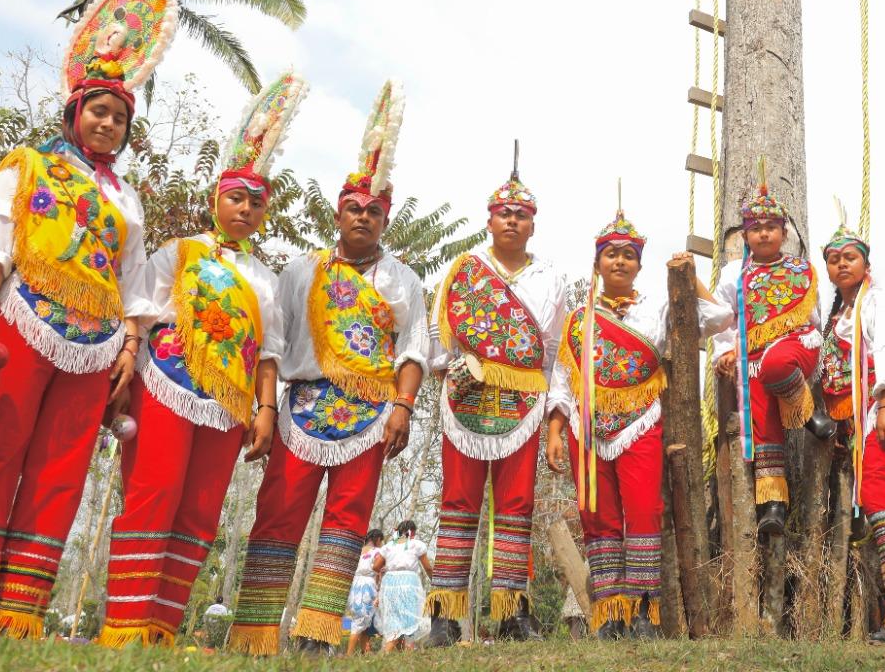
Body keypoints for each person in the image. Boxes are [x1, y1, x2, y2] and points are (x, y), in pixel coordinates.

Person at [0, 0, 178, 638]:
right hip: (24, 322)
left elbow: (135, 285)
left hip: (94, 347)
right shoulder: (29, 165)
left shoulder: (129, 202)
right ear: (74, 112)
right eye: (98, 111)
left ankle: (20, 613)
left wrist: (129, 350)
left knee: (61, 473)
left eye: (119, 118)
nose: (108, 123)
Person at [98, 73, 304, 647]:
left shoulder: (265, 278)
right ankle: (123, 628)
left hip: (228, 404)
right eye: (236, 197)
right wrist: (127, 358)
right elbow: (140, 308)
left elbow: (269, 352)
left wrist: (265, 410)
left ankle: (161, 629)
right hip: (164, 384)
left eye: (256, 202)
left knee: (199, 513)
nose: (245, 208)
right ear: (218, 199)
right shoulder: (181, 251)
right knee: (151, 496)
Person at [227, 81, 428, 654]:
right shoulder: (300, 270)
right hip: (303, 409)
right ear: (338, 213)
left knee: (346, 524)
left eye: (373, 211)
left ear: (385, 220)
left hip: (368, 414)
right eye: (353, 208)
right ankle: (254, 634)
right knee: (278, 512)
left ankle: (316, 636)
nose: (362, 217)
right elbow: (272, 341)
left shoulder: (401, 280)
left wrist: (403, 408)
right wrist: (263, 406)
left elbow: (412, 350)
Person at [545, 205, 731, 638]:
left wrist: (688, 276)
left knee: (645, 511)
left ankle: (644, 613)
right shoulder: (578, 320)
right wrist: (555, 430)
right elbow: (560, 379)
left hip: (640, 423)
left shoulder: (658, 308)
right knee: (598, 515)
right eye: (611, 254)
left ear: (640, 265)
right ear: (597, 263)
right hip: (585, 429)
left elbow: (720, 317)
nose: (620, 261)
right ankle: (610, 613)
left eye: (628, 255)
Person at [428, 146, 568, 644]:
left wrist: (556, 418)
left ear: (533, 224)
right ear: (489, 219)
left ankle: (512, 613)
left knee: (517, 503)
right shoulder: (464, 269)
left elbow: (554, 353)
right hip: (464, 402)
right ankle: (444, 615)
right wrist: (451, 367)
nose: (512, 220)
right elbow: (439, 335)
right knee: (458, 501)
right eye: (504, 212)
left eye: (522, 214)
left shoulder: (550, 277)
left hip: (525, 403)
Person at [817, 210, 885, 641]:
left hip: (884, 415)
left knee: (883, 500)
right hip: (854, 425)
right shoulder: (836, 314)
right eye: (834, 259)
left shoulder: (878, 301)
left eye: (850, 257)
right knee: (878, 505)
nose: (842, 264)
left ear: (866, 263)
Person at [712, 163, 834, 536]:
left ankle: (806, 410)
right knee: (762, 424)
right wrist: (724, 352)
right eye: (755, 229)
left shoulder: (801, 268)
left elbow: (812, 317)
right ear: (745, 236)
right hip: (750, 355)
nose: (763, 233)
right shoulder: (734, 273)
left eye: (770, 227)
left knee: (777, 362)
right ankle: (774, 504)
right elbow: (722, 317)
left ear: (783, 232)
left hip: (797, 346)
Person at [374, 520, 432, 651]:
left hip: (390, 583)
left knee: (394, 618)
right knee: (410, 618)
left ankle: (398, 653)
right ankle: (399, 651)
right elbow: (427, 567)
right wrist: (434, 580)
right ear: (412, 532)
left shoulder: (388, 546)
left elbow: (376, 566)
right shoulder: (416, 544)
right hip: (408, 582)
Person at [344, 528, 384, 655]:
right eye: (381, 541)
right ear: (378, 539)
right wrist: (379, 591)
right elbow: (380, 571)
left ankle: (364, 651)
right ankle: (348, 654)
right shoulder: (378, 551)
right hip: (368, 585)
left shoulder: (358, 551)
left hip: (355, 585)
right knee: (360, 621)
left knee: (363, 621)